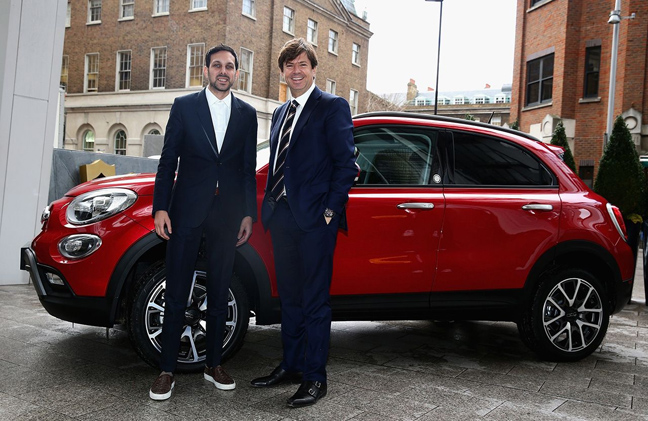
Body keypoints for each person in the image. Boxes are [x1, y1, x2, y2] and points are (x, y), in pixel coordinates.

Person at [250, 38, 358, 408]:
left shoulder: (332, 106)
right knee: (290, 298)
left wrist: (330, 212)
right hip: (282, 218)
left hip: (316, 221)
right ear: (282, 71)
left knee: (314, 301)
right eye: (289, 66)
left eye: (302, 65)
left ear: (313, 69)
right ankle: (292, 365)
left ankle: (315, 377)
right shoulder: (281, 111)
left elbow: (346, 165)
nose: (296, 71)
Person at [149, 44, 258, 401]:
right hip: (186, 211)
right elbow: (168, 161)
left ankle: (214, 364)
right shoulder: (184, 106)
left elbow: (247, 168)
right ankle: (166, 370)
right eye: (217, 65)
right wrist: (160, 208)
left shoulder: (247, 114)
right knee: (177, 288)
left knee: (220, 289)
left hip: (227, 214)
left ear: (237, 72)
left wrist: (248, 213)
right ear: (207, 70)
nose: (223, 71)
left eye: (229, 66)